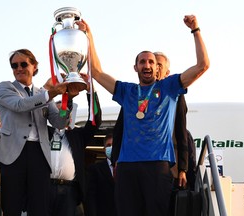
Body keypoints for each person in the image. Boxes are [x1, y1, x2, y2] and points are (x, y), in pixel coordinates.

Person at [78, 14, 209, 216]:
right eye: (142, 62)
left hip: (157, 166)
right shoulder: (126, 91)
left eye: (150, 62)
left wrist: (195, 30)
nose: (146, 65)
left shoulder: (169, 87)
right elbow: (96, 71)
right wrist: (89, 35)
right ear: (135, 67)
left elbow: (203, 66)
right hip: (126, 167)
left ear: (157, 68)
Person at [0, 48, 70, 216]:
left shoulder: (43, 94)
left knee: (40, 205)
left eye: (23, 64)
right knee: (12, 204)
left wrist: (67, 100)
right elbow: (20, 105)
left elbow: (59, 122)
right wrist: (52, 92)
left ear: (34, 67)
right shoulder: (5, 88)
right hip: (13, 154)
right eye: (14, 65)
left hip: (39, 153)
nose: (19, 68)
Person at [112, 52, 189, 189]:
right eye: (144, 63)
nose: (149, 67)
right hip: (132, 164)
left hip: (164, 162)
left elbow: (181, 132)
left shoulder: (172, 93)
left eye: (157, 64)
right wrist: (115, 159)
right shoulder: (133, 94)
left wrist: (183, 168)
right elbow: (120, 129)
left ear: (165, 70)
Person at [49, 74, 102, 216]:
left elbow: (95, 120)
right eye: (58, 111)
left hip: (69, 192)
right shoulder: (42, 133)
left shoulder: (77, 136)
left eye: (65, 111)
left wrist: (91, 92)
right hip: (43, 189)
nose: (62, 114)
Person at [85, 132, 117, 216]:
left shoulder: (126, 169)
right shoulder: (95, 169)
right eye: (108, 145)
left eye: (114, 145)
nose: (111, 147)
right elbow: (91, 197)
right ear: (104, 149)